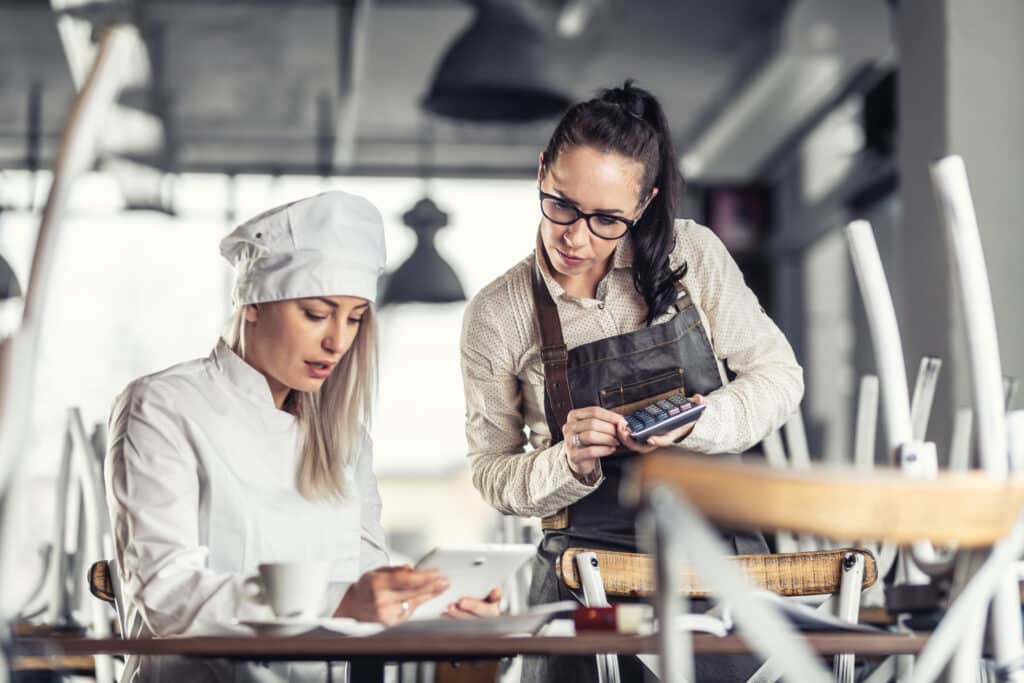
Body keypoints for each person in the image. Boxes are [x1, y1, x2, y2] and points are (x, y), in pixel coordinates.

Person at [460, 81, 804, 682]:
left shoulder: (689, 254)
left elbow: (779, 376)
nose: (576, 237)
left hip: (716, 563)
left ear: (642, 206)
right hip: (583, 572)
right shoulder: (498, 313)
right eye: (561, 204)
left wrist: (700, 421)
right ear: (542, 171)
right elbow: (492, 471)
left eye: (607, 220)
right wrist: (565, 462)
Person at [106, 191, 498, 683]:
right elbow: (168, 597)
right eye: (316, 313)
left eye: (355, 319)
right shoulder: (163, 407)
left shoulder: (346, 437)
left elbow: (367, 589)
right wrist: (341, 602)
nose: (337, 341)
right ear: (252, 303)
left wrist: (440, 611)